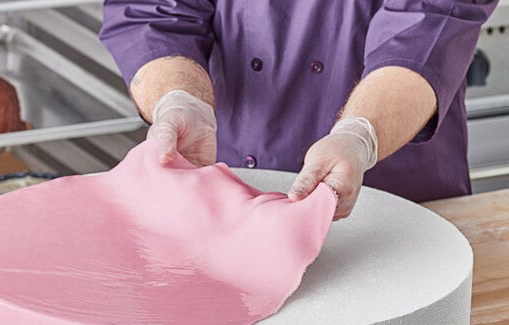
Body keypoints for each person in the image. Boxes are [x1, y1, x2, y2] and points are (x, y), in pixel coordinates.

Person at [100, 1, 498, 219]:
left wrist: (359, 136)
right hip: (228, 190)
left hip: (396, 197)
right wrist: (179, 99)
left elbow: (426, 29)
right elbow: (153, 13)